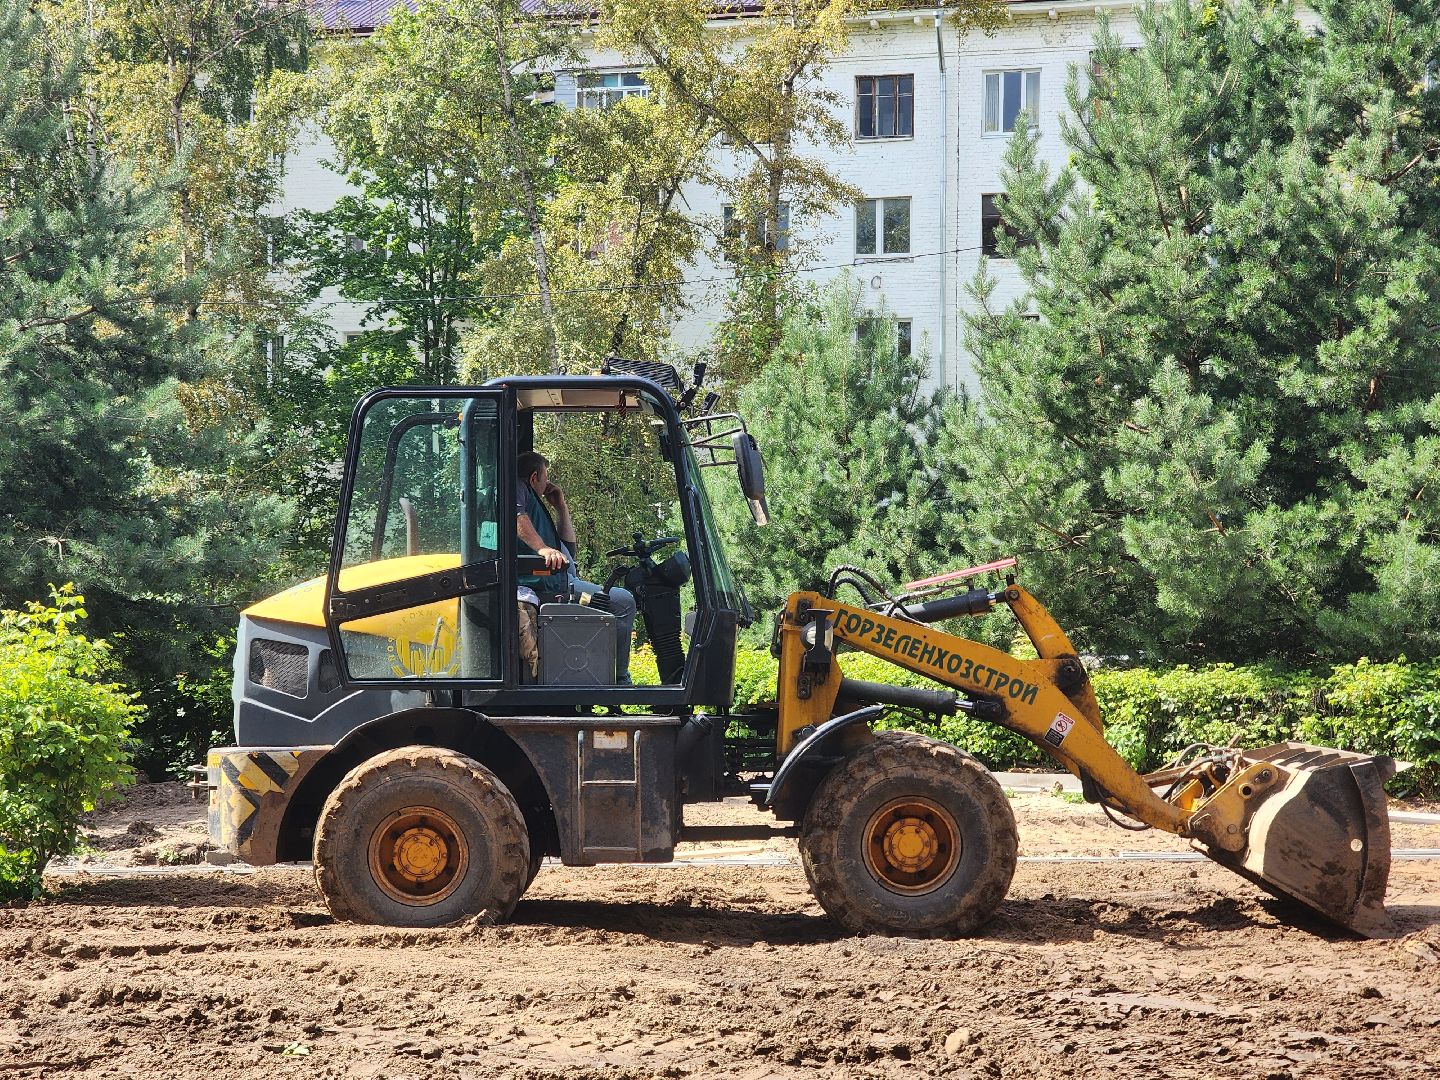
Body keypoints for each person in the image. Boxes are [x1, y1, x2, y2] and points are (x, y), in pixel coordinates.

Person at [515, 451, 636, 684]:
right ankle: (621, 681)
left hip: (564, 582)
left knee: (619, 600)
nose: (548, 484)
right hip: (551, 587)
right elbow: (515, 516)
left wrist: (560, 507)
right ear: (533, 477)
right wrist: (542, 549)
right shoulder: (518, 489)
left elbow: (569, 548)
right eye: (545, 477)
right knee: (623, 602)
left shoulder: (535, 506)